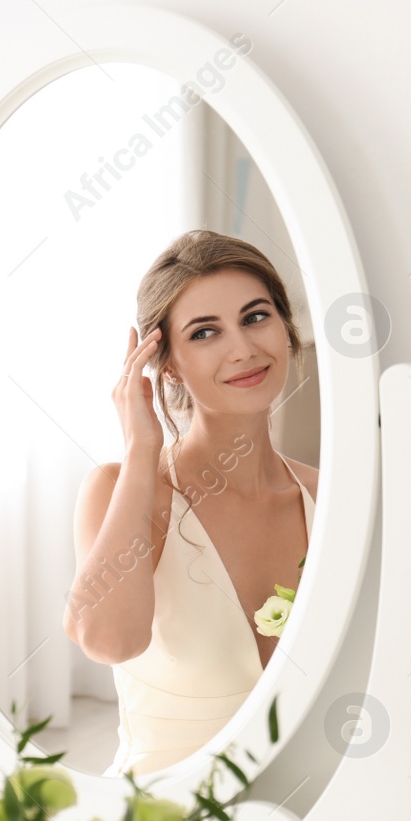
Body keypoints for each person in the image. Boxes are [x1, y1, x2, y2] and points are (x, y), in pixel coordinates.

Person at [64, 230, 318, 777]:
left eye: (255, 317)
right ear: (166, 364)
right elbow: (108, 640)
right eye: (205, 332)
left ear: (287, 328)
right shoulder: (119, 490)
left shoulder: (325, 498)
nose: (243, 349)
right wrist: (140, 451)